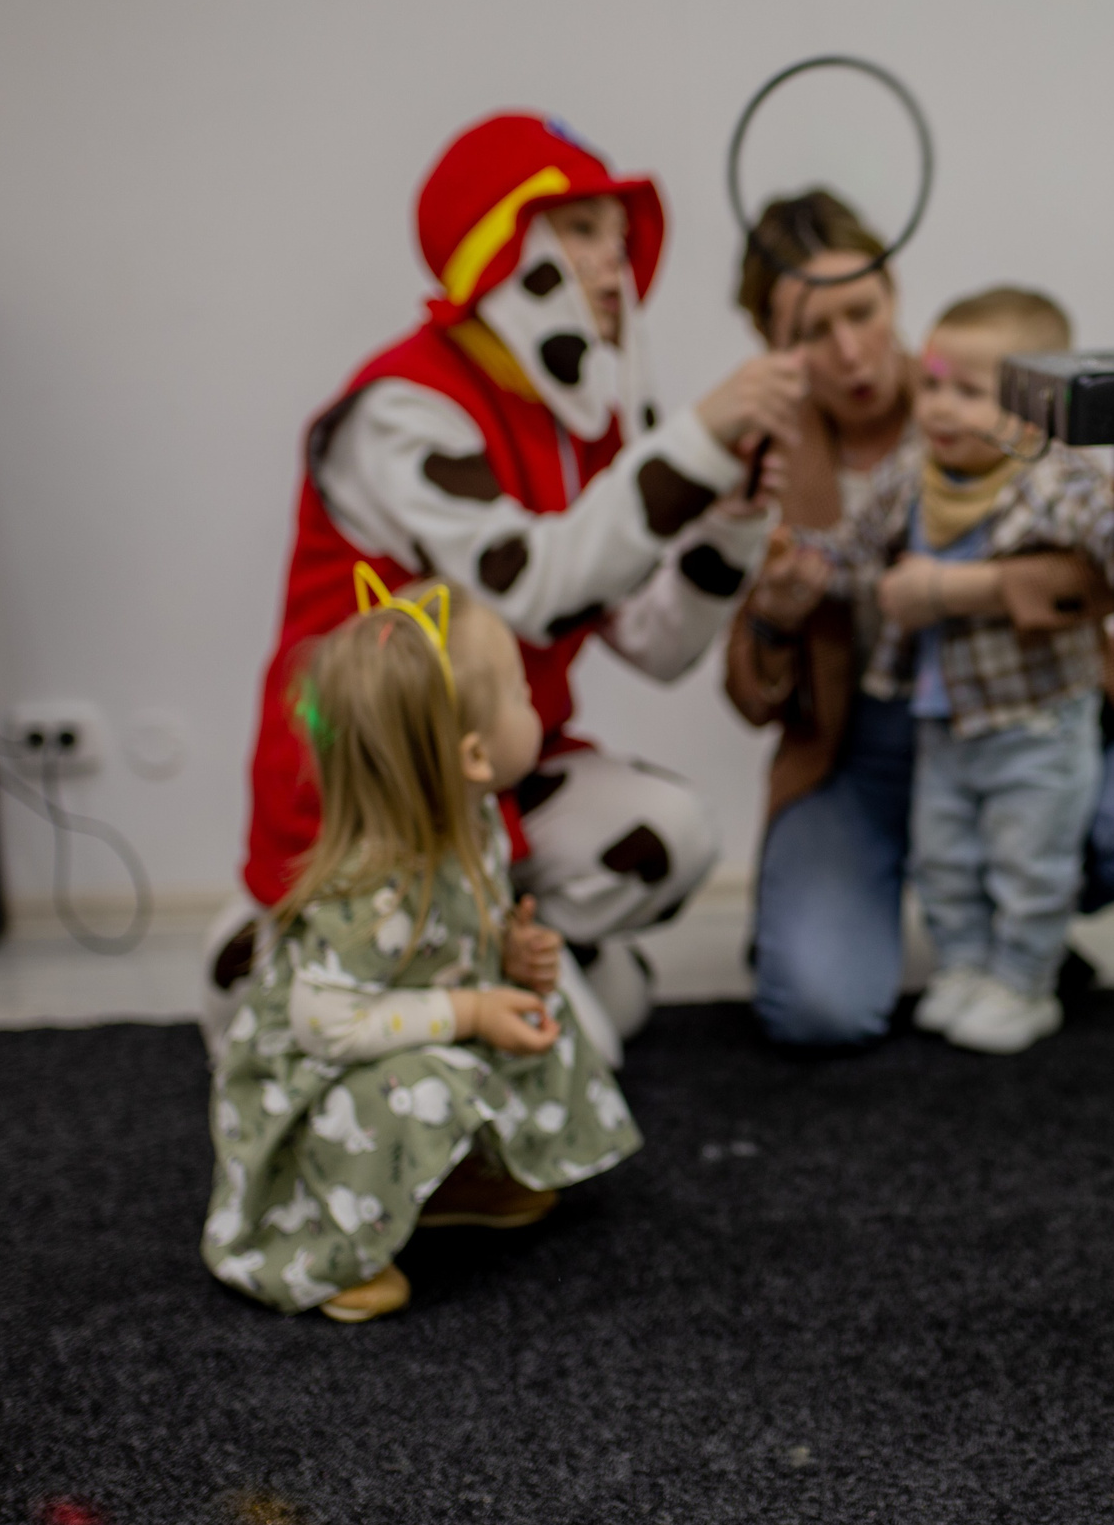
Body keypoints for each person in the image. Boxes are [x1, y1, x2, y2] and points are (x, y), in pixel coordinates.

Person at [212, 111, 805, 1058]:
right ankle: (282, 950)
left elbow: (655, 643)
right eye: (579, 230)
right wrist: (693, 444)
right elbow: (532, 583)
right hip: (371, 792)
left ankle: (489, 949)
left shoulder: (582, 427)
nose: (614, 262)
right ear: (504, 249)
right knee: (564, 1066)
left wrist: (726, 521)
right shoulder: (403, 408)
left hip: (496, 773)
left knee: (671, 834)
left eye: (617, 233)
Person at [724, 191, 1114, 1048]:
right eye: (809, 331)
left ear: (894, 292)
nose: (847, 350)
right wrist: (778, 607)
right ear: (771, 343)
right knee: (818, 1008)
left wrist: (950, 591)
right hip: (868, 752)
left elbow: (1104, 551)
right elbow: (759, 675)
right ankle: (959, 944)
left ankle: (1019, 949)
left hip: (1025, 718)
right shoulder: (763, 454)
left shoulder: (998, 391)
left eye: (862, 312)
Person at [204, 571, 637, 1325]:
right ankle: (327, 1246)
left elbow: (461, 934)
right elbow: (325, 1027)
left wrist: (513, 955)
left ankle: (454, 1181)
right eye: (518, 692)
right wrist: (469, 1008)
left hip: (414, 1017)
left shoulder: (474, 817)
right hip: (320, 1074)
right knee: (407, 1090)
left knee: (542, 1015)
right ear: (473, 753)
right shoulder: (374, 891)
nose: (533, 702)